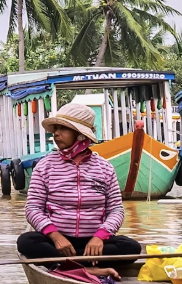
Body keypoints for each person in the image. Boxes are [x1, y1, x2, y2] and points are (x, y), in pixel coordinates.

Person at [17, 102, 143, 273]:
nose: (56, 134)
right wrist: (55, 236)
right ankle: (88, 268)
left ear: (81, 135)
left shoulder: (104, 168)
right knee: (26, 241)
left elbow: (116, 210)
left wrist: (100, 237)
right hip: (57, 242)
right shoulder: (45, 166)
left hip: (92, 244)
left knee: (131, 247)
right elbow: (33, 208)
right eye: (56, 129)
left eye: (64, 129)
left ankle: (67, 266)